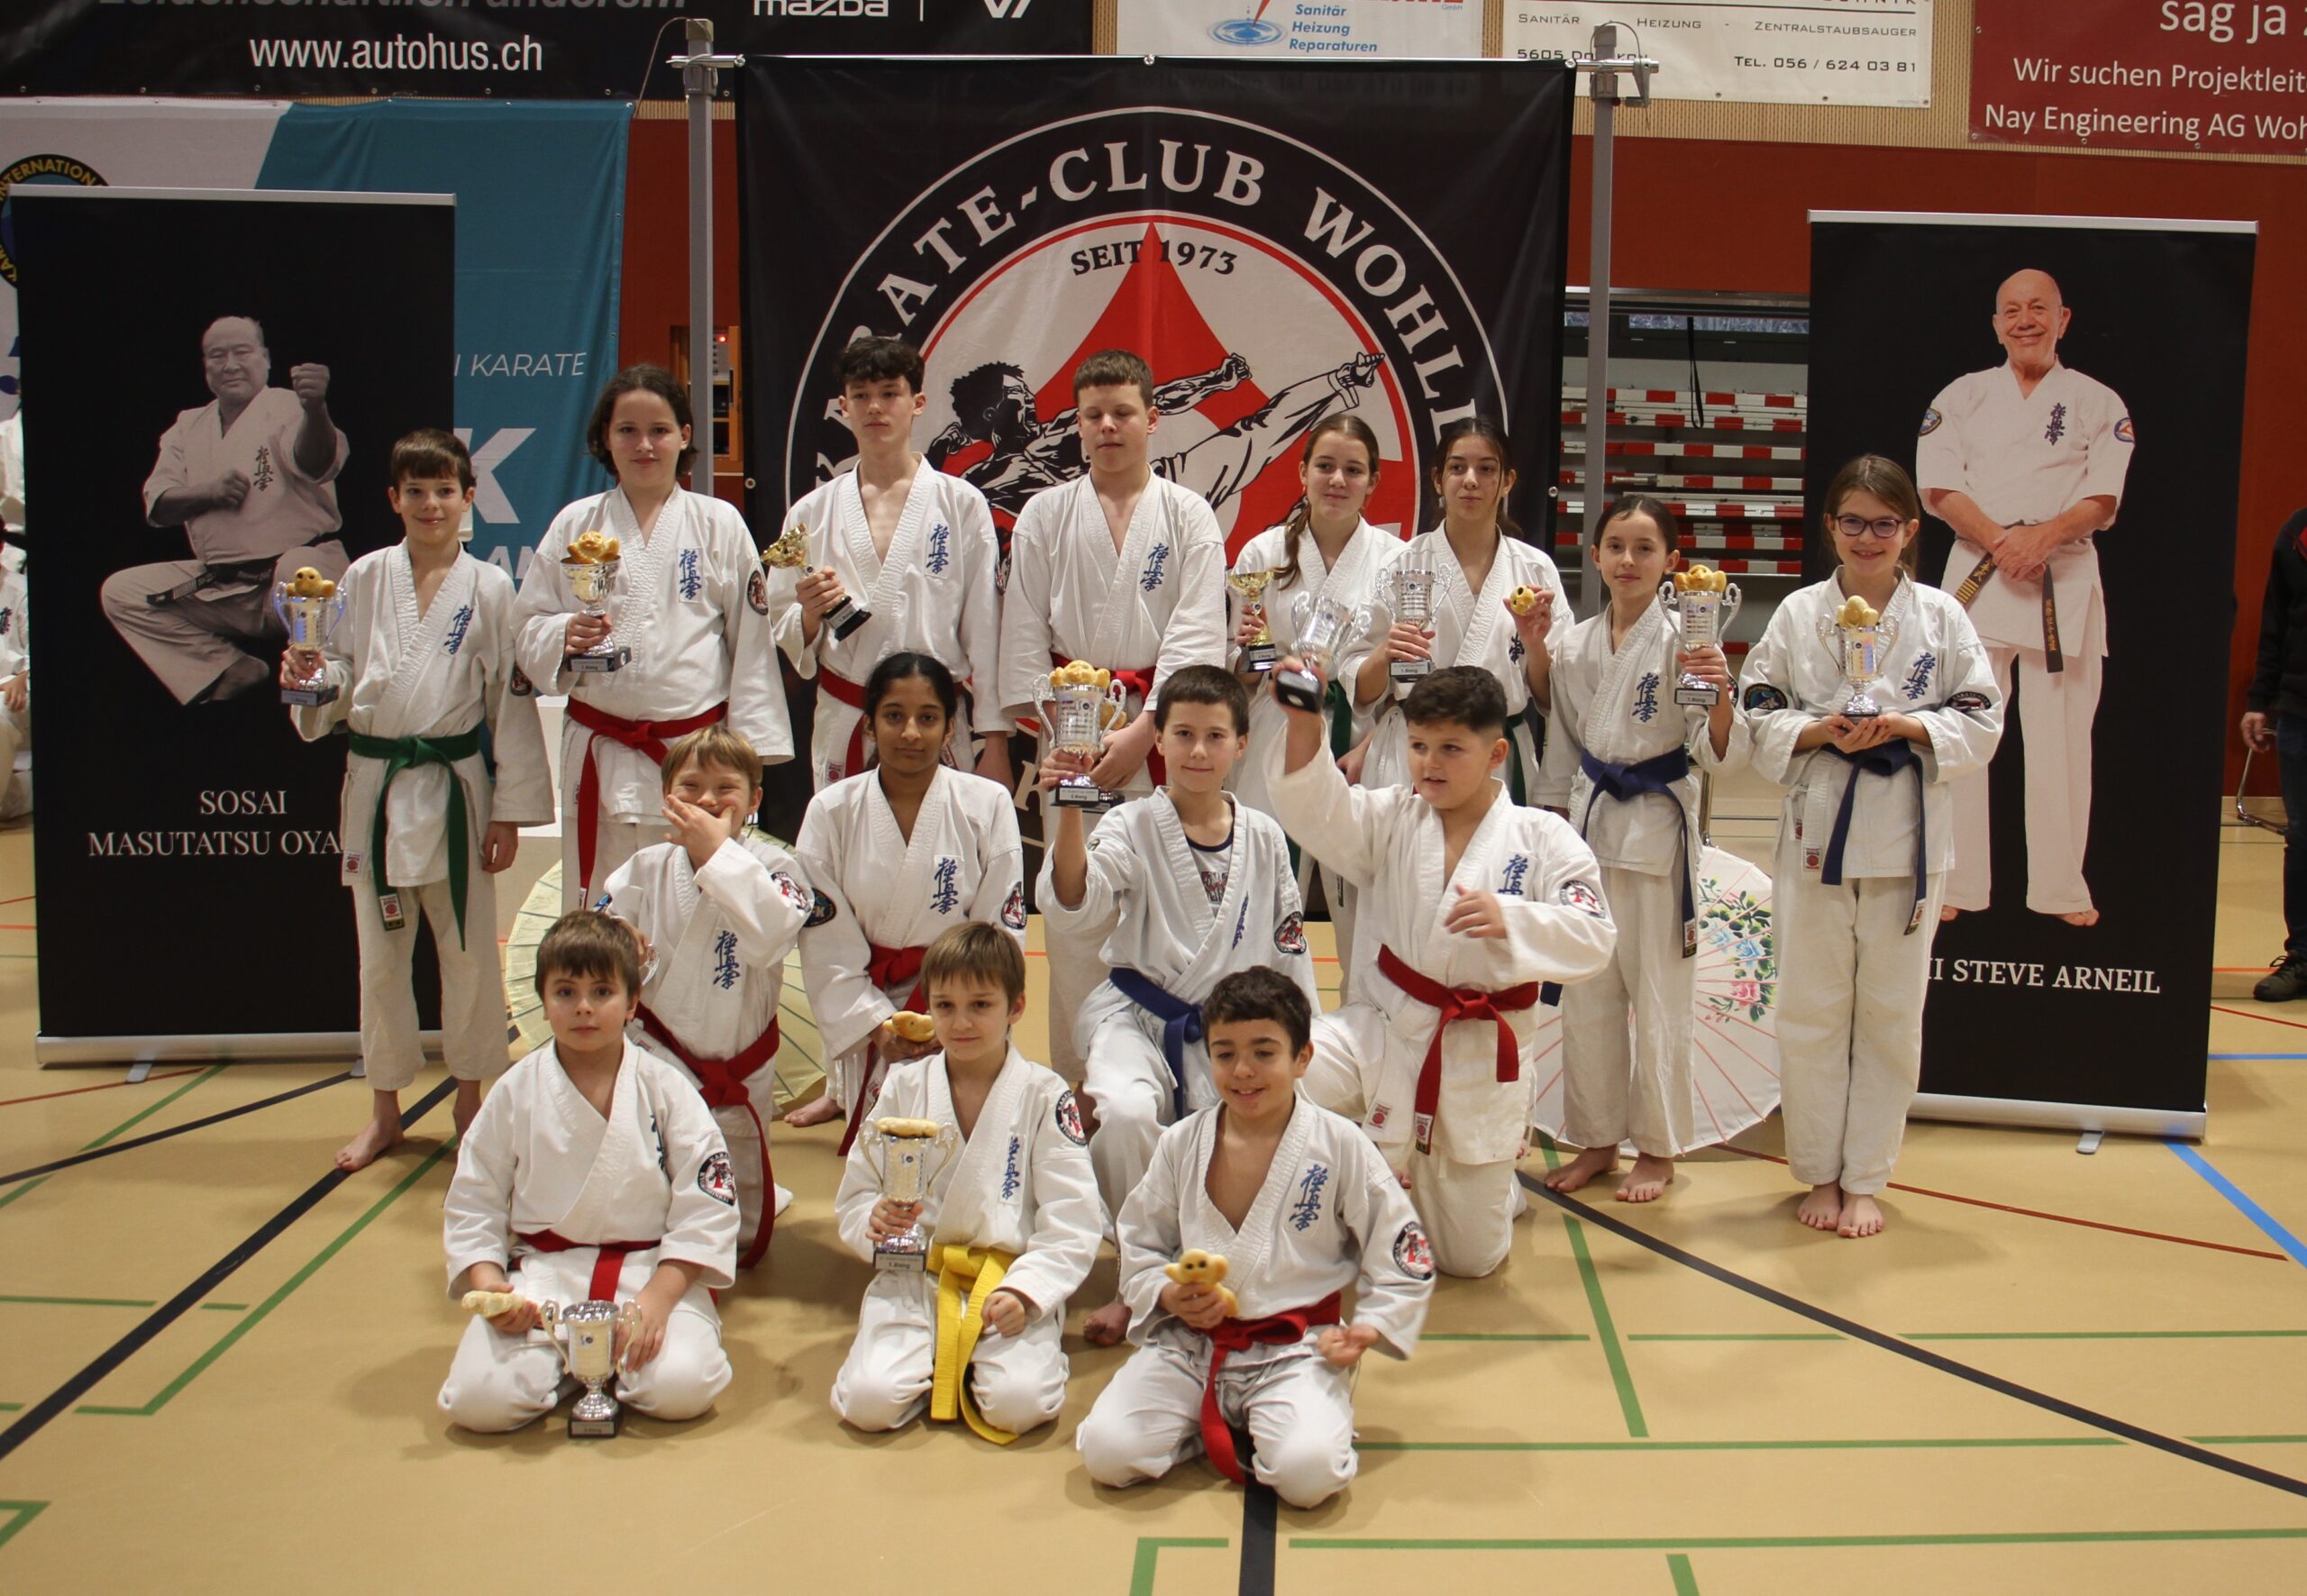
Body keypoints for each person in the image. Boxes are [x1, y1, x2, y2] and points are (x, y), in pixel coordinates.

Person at [1266, 665, 1616, 1276]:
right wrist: (1303, 721)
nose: (1429, 763)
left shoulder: (1542, 837)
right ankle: (1343, 1184)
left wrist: (1515, 918)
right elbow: (1318, 806)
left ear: (1496, 753)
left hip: (1476, 1056)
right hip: (1384, 1030)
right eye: (1419, 745)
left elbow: (1595, 937)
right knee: (1281, 1069)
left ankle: (1493, 1190)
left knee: (1468, 1261)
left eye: (1451, 748)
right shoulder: (1394, 816)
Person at [1737, 455, 2002, 1238]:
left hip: (1907, 834)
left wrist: (1907, 725)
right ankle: (1819, 1168)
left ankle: (1865, 1179)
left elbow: (1982, 714)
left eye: (1884, 523)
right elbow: (1758, 704)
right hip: (1818, 832)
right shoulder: (1797, 614)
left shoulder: (1943, 617)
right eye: (1852, 521)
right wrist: (1819, 729)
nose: (1867, 537)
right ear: (1830, 527)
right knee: (1811, 1010)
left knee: (1890, 1015)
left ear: (1910, 531)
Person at [286, 430, 551, 1172]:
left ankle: (470, 1101)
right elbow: (339, 675)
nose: (430, 504)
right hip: (378, 787)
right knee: (379, 961)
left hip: (456, 788)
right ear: (393, 499)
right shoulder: (364, 577)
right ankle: (385, 1110)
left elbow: (509, 702)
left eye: (444, 491)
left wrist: (509, 810)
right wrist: (312, 675)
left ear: (469, 498)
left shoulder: (490, 588)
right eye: (416, 491)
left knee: (467, 958)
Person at [1074, 969, 1434, 1509]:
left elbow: (1402, 1248)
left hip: (1296, 1347)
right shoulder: (1181, 1142)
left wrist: (1374, 1324)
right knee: (1107, 1454)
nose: (1243, 1071)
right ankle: (1215, 1423)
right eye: (1225, 1054)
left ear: (1303, 1057)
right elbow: (1141, 1242)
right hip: (1190, 1344)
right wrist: (1168, 1294)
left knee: (1308, 1478)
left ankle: (1287, 1414)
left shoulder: (1339, 1144)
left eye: (1264, 1053)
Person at [1038, 664, 1317, 1344]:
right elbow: (1076, 902)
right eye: (1183, 734)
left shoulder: (1265, 836)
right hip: (1137, 1015)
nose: (1197, 751)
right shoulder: (1131, 823)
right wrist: (1070, 807)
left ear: (1241, 744)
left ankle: (1217, 1261)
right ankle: (1140, 1279)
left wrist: (1295, 1040)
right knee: (1126, 1112)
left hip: (1231, 1029)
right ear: (1157, 740)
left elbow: (1288, 945)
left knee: (1266, 1122)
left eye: (1214, 736)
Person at [996, 348, 1226, 1081]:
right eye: (1092, 414)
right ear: (1077, 423)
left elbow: (1197, 632)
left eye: (1122, 412)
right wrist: (1074, 732)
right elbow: (1024, 633)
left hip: (1167, 741)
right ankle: (1080, 1086)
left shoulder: (1188, 514)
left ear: (1152, 419)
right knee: (1076, 916)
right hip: (1071, 738)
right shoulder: (1045, 514)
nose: (1107, 426)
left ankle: (1173, 1083)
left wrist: (1147, 728)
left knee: (1168, 908)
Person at [438, 911, 737, 1432]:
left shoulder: (667, 1088)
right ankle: (582, 1366)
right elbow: (474, 1200)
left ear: (632, 1002)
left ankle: (586, 1366)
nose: (583, 1007)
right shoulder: (515, 1090)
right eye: (565, 992)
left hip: (650, 1273)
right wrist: (493, 1289)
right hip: (545, 1279)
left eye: (602, 992)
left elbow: (707, 1205)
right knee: (478, 1403)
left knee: (681, 1387)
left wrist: (660, 1297)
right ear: (542, 999)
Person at [1531, 497, 1746, 1202]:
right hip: (1590, 828)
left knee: (1658, 995)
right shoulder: (1575, 646)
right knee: (1589, 993)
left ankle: (1656, 1147)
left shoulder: (1686, 639)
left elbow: (1717, 748)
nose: (1629, 560)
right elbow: (1563, 746)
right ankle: (1597, 1138)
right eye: (1616, 546)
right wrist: (1553, 831)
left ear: (1672, 563)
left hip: (1657, 827)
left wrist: (1720, 689)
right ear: (1594, 556)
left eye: (1645, 548)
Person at [515, 365, 788, 911]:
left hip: (695, 760)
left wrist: (746, 759)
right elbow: (526, 625)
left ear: (685, 436)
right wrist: (564, 633)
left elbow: (752, 647)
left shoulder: (719, 522)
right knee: (605, 914)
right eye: (627, 431)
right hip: (601, 747)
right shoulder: (575, 523)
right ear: (606, 438)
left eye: (659, 430)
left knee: (691, 911)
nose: (644, 445)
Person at [1917, 269, 2131, 926]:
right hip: (1978, 572)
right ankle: (1959, 881)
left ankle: (2061, 889)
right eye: (2011, 310)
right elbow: (1939, 486)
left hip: (2061, 575)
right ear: (1996, 324)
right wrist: (2002, 541)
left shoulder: (2098, 401)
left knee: (2062, 741)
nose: (2025, 320)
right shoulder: (1961, 395)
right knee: (1963, 730)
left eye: (2039, 308)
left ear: (2063, 319)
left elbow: (2103, 495)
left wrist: (2042, 538)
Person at [829, 923, 1101, 1441]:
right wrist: (874, 1219)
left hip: (1005, 1281)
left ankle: (965, 1357)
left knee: (1019, 1406)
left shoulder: (1045, 1095)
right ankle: (932, 1356)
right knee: (868, 1403)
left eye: (980, 1005)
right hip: (916, 1277)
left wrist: (1029, 1292)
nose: (961, 1023)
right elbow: (860, 1190)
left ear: (1015, 1007)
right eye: (945, 1006)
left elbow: (1073, 1217)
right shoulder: (903, 1086)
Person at [601, 725, 813, 1267]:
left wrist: (718, 854)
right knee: (655, 1180)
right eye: (691, 786)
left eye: (725, 788)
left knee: (737, 1210)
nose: (708, 799)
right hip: (661, 1054)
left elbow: (772, 937)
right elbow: (602, 933)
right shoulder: (645, 866)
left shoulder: (779, 868)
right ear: (666, 795)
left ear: (754, 799)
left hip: (741, 1059)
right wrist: (619, 938)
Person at [792, 652, 1026, 1141]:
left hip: (962, 1008)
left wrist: (952, 1013)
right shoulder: (831, 811)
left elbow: (998, 930)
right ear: (870, 724)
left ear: (950, 728)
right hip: (869, 1005)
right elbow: (825, 941)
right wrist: (877, 1024)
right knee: (886, 1157)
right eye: (894, 716)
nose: (911, 733)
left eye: (928, 718)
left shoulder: (988, 803)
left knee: (967, 1145)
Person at [772, 335, 1008, 792]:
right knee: (846, 837)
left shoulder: (961, 503)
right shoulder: (811, 512)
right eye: (861, 396)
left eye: (889, 393)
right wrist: (808, 615)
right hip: (848, 714)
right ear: (844, 406)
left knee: (941, 837)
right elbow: (783, 627)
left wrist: (995, 742)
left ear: (917, 403)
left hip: (934, 718)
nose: (875, 407)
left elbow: (985, 629)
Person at [1227, 415, 1392, 985]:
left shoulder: (1396, 559)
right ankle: (1255, 1021)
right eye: (1325, 466)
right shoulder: (1263, 552)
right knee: (1263, 892)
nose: (1337, 481)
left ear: (1373, 481)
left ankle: (1365, 1026)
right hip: (1275, 728)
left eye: (1353, 470)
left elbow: (1403, 679)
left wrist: (1373, 740)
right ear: (1302, 473)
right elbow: (1242, 670)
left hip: (1358, 737)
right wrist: (1253, 653)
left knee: (1364, 905)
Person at [109, 316, 349, 704]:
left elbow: (316, 462)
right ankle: (227, 667)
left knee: (301, 571)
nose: (230, 365)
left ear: (265, 358)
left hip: (295, 575)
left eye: (242, 352)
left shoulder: (287, 405)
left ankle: (316, 688)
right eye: (217, 356)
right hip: (222, 585)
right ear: (205, 366)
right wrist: (209, 493)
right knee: (122, 592)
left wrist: (316, 407)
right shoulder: (189, 425)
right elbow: (159, 506)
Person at [1345, 418, 1568, 806]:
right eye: (1457, 467)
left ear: (1508, 481)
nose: (1470, 480)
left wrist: (1534, 645)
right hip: (1412, 755)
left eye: (1486, 469)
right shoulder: (1400, 564)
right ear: (1438, 479)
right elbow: (1360, 691)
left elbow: (1554, 698)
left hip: (1495, 754)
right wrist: (1384, 654)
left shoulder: (1535, 569)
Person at [2240, 507, 2307, 999]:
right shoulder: (2296, 531)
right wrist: (2261, 700)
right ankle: (2303, 955)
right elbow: (2276, 621)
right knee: (2302, 838)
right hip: (2300, 711)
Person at [0, 539, 27, 822]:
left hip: (20, 692)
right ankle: (35, 787)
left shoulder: (22, 590)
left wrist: (23, 676)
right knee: (7, 804)